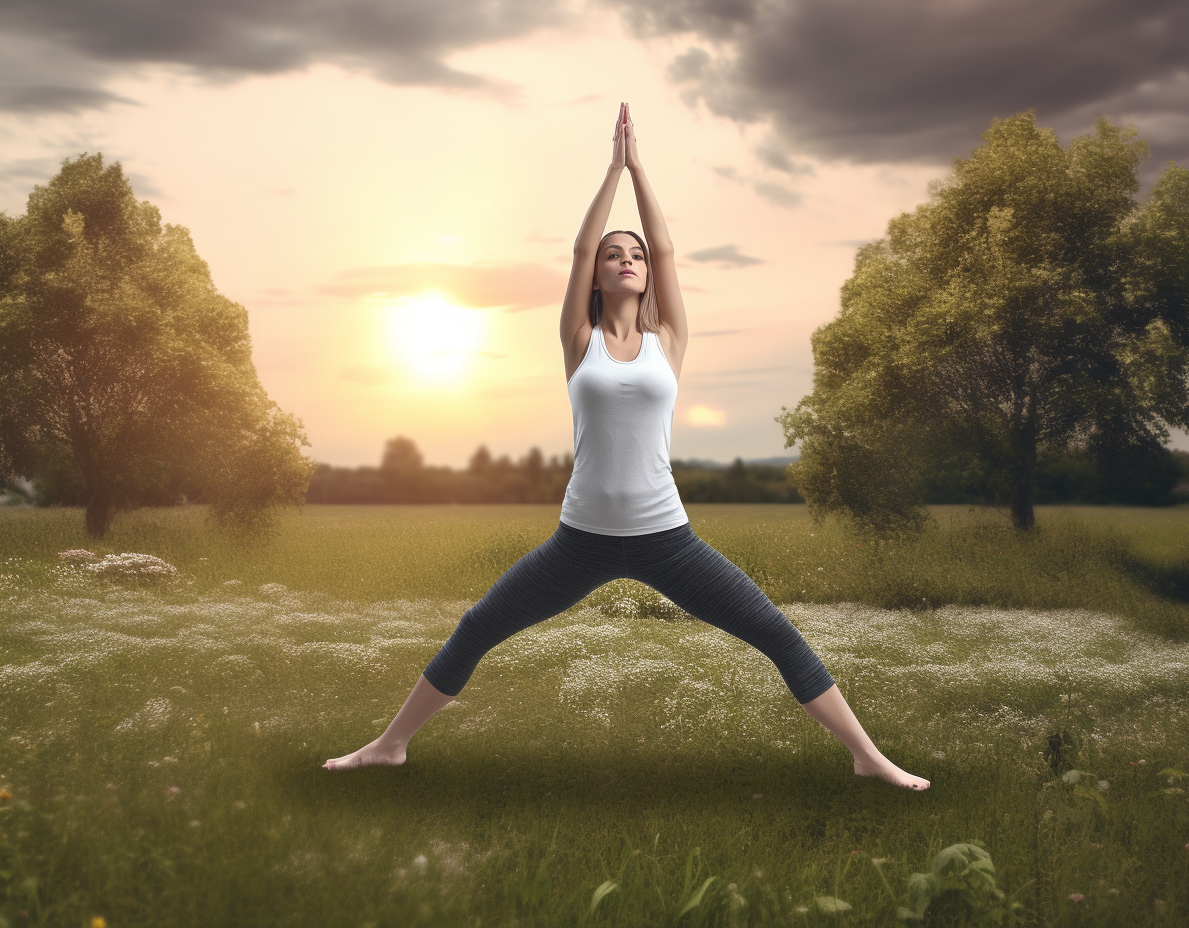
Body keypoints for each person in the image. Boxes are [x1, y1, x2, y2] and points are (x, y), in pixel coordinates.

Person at [324, 102, 930, 791]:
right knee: (478, 626)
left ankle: (865, 755)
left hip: (665, 537)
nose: (628, 259)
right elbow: (578, 250)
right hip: (579, 539)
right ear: (598, 276)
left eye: (635, 253)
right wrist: (608, 169)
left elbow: (669, 249)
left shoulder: (667, 343)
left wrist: (639, 167)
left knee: (775, 634)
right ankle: (389, 745)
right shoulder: (577, 343)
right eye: (616, 255)